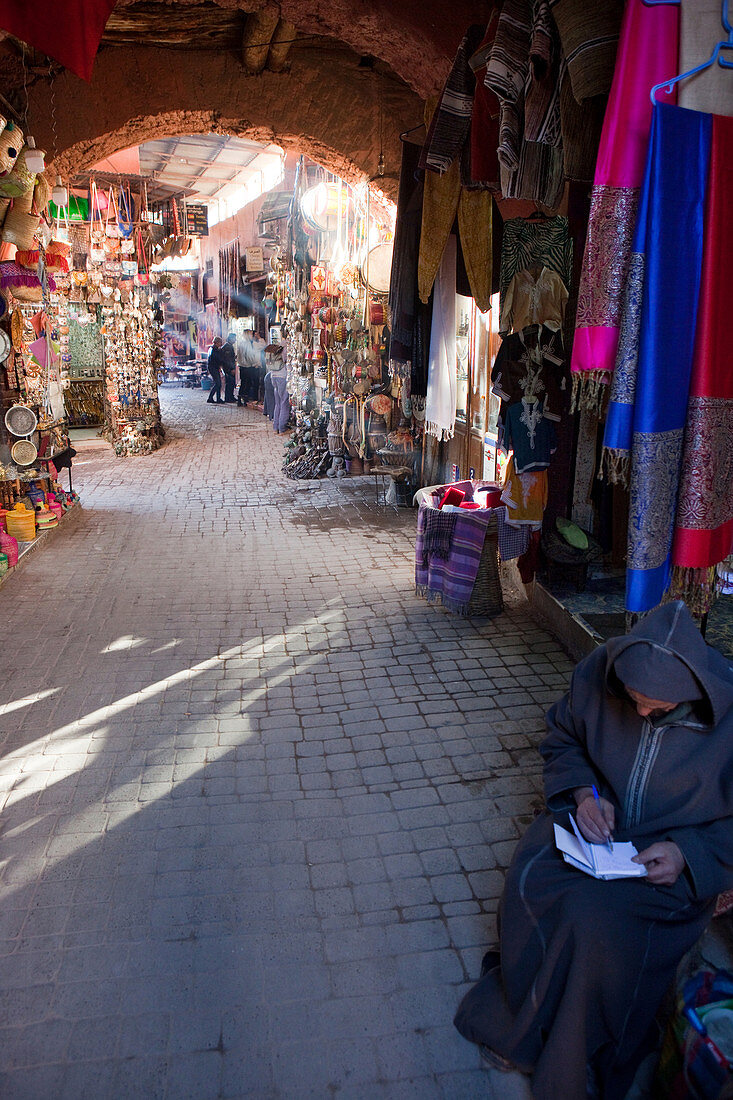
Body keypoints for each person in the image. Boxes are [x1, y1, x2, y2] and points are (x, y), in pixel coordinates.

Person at [454, 600, 733, 1100]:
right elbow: (563, 738)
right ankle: (525, 1010)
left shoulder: (729, 718)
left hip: (670, 856)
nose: (643, 712)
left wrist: (687, 853)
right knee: (529, 882)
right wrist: (584, 794)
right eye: (634, 699)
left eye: (658, 708)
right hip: (597, 824)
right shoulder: (598, 672)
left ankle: (570, 1052)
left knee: (595, 923)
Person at [266, 343, 290, 433]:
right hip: (282, 376)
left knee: (278, 403)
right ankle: (282, 428)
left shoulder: (276, 346)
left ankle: (276, 427)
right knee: (284, 402)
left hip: (273, 376)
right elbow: (287, 360)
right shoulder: (285, 347)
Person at [206, 337, 224, 404]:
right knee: (218, 383)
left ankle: (218, 398)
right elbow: (216, 359)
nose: (221, 344)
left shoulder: (213, 349)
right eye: (220, 342)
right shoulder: (214, 350)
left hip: (214, 368)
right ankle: (211, 398)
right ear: (216, 342)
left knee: (218, 383)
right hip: (213, 368)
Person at [221, 333, 237, 403]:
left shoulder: (229, 346)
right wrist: (231, 369)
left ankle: (231, 396)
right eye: (234, 338)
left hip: (228, 368)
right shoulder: (227, 347)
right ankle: (228, 397)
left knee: (231, 383)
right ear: (231, 339)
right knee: (230, 383)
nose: (235, 340)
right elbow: (228, 360)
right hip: (228, 369)